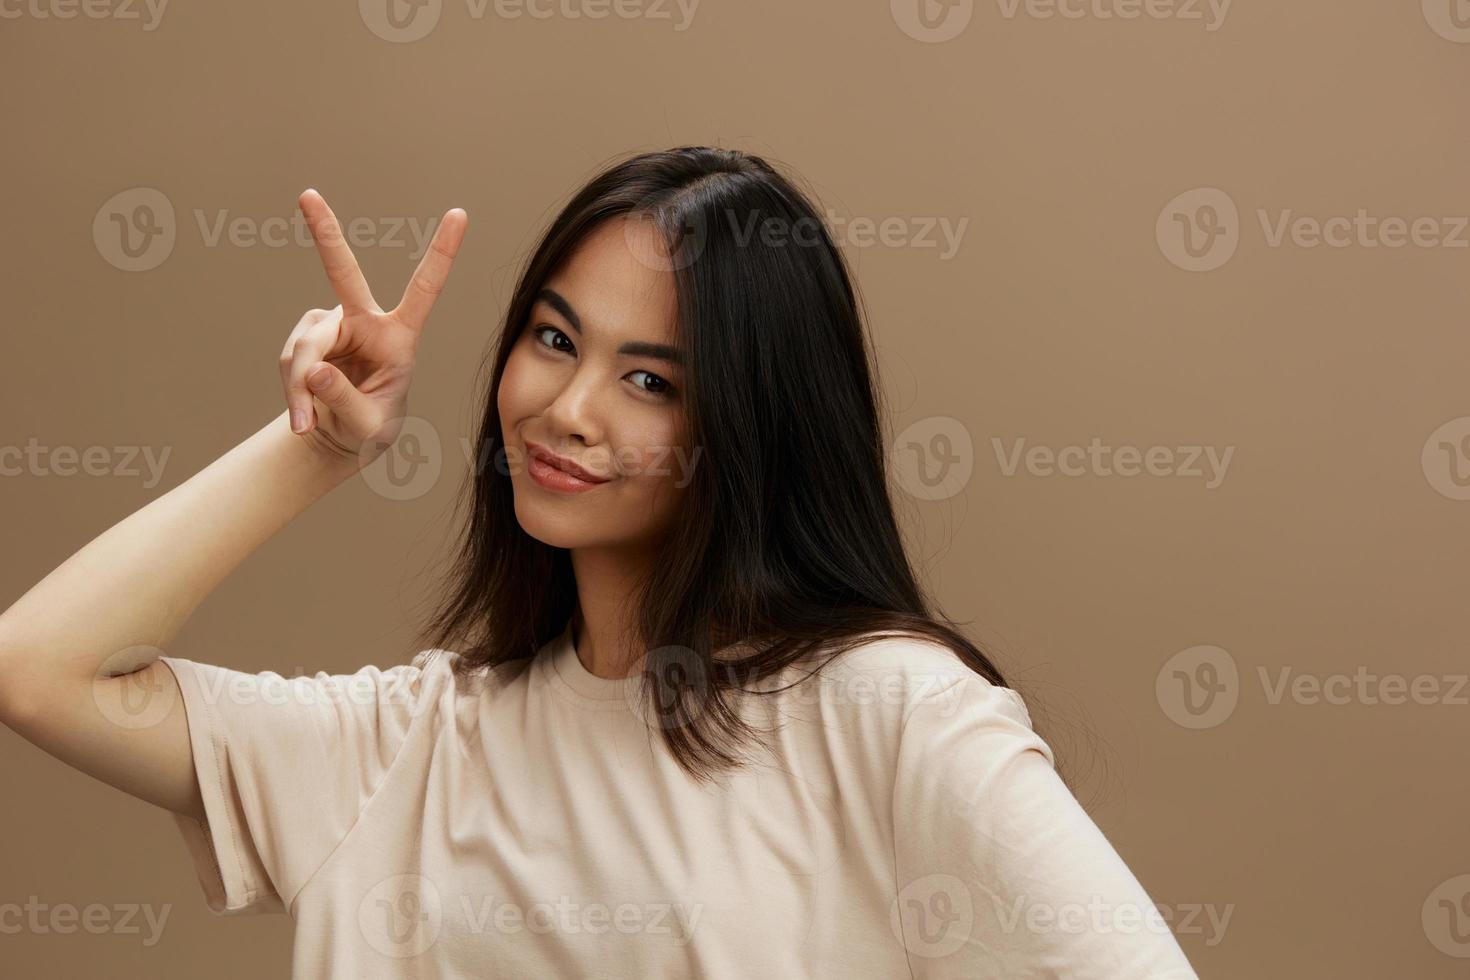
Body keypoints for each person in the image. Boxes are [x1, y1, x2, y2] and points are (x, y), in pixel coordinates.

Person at [0, 147, 1199, 978]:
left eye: (648, 380)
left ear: (751, 421)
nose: (567, 408)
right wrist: (314, 449)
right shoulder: (406, 745)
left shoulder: (885, 710)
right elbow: (40, 669)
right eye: (553, 337)